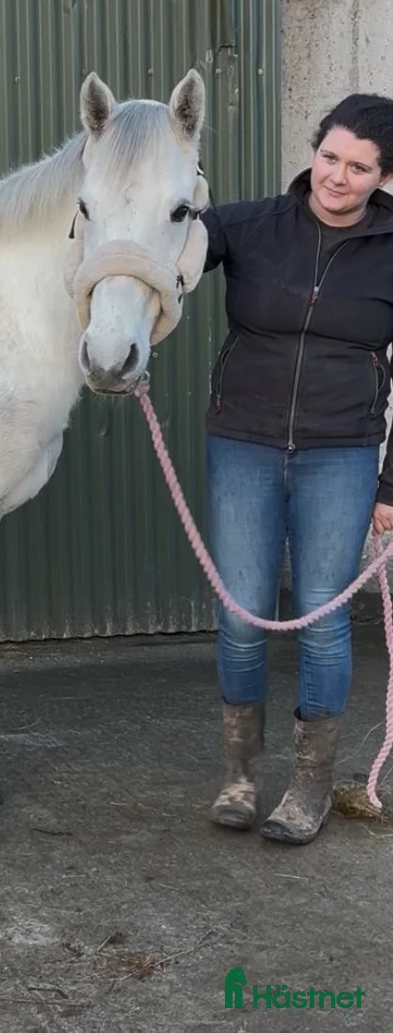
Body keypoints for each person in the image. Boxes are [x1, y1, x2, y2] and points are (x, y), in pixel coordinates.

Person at [200, 92, 393, 845]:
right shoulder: (247, 226)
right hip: (242, 444)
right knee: (241, 614)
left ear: (383, 178)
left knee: (322, 617)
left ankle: (309, 786)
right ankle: (240, 775)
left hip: (341, 453)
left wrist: (390, 485)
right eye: (328, 157)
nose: (337, 177)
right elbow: (161, 254)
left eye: (359, 168)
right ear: (313, 151)